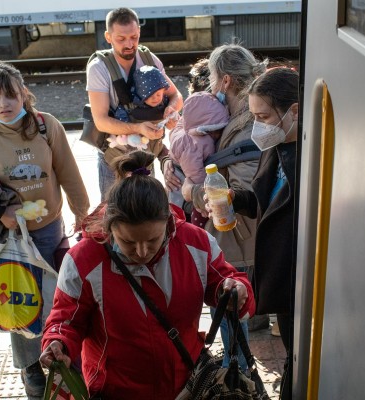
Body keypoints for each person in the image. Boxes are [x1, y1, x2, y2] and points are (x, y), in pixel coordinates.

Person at [39, 150, 255, 399]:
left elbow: (228, 282)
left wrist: (236, 291)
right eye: (128, 242)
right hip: (115, 390)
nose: (142, 251)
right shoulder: (84, 260)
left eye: (153, 240)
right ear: (110, 227)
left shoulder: (195, 244)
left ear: (168, 221)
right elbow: (66, 319)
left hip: (189, 387)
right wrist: (58, 342)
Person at [0, 62, 90, 398]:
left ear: (24, 95)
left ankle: (64, 357)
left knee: (58, 298)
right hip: (6, 238)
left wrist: (83, 212)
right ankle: (32, 370)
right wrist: (2, 211)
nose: (3, 104)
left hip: (48, 231)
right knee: (20, 300)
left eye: (10, 96)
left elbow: (69, 172)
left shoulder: (46, 127)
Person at [203, 67, 299, 399]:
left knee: (297, 358)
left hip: (299, 280)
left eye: (264, 116)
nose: (258, 126)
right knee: (292, 353)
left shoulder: (310, 158)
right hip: (282, 278)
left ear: (294, 112)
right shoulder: (278, 146)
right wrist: (234, 198)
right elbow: (263, 201)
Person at [175, 44, 269, 370]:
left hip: (238, 238)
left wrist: (192, 190)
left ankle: (239, 379)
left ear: (226, 81)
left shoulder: (246, 125)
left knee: (231, 317)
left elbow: (239, 194)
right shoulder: (244, 115)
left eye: (214, 80)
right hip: (239, 237)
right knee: (233, 317)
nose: (212, 88)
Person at [86, 7, 183, 201]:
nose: (129, 44)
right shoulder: (99, 68)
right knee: (113, 212)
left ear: (139, 31)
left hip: (145, 154)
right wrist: (138, 128)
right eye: (121, 39)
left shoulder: (149, 59)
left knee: (147, 211)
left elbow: (177, 96)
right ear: (108, 36)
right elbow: (101, 121)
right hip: (113, 157)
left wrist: (170, 111)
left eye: (134, 37)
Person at [168, 91, 230, 228]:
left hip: (181, 173)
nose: (218, 134)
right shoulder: (194, 145)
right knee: (198, 213)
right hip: (184, 180)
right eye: (215, 129)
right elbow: (195, 173)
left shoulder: (188, 126)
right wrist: (204, 189)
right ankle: (200, 230)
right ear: (203, 128)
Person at [107, 65, 177, 150]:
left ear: (164, 91)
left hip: (156, 142)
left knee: (158, 149)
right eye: (149, 95)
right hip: (134, 147)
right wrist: (127, 134)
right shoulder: (130, 107)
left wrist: (173, 117)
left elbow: (175, 108)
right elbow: (120, 121)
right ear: (140, 94)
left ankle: (163, 155)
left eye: (159, 94)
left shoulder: (164, 103)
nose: (155, 98)